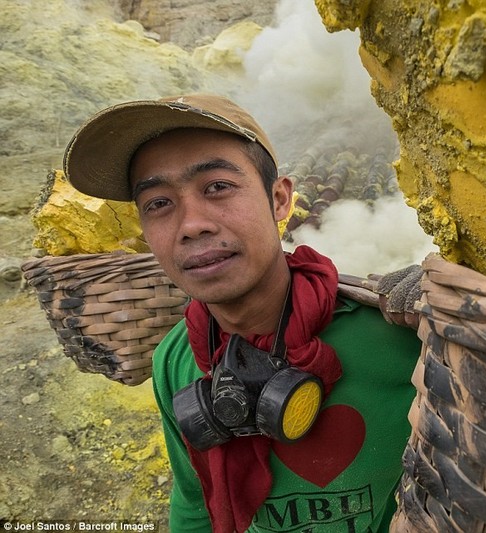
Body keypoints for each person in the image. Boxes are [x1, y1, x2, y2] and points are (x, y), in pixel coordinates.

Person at [64, 94, 423, 533]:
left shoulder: (400, 338)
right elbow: (194, 504)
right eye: (158, 203)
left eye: (217, 187)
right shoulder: (174, 361)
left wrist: (453, 311)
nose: (192, 224)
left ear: (279, 200)